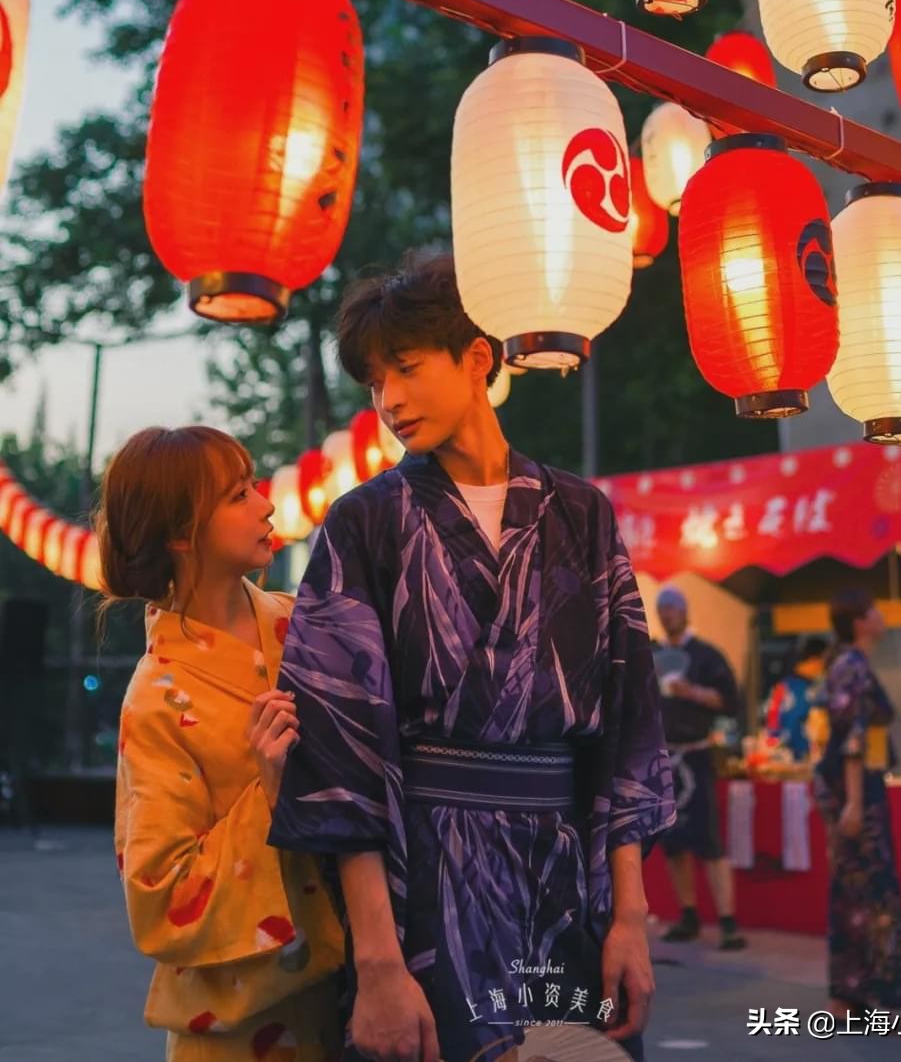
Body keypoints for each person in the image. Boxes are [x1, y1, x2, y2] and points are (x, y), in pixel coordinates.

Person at [269, 252, 675, 1062]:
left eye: (407, 368)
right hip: (426, 884)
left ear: (478, 357)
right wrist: (378, 962)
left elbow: (629, 729)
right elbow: (341, 756)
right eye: (374, 382)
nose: (388, 400)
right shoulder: (363, 524)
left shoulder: (582, 514)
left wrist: (630, 918)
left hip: (566, 882)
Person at [97, 425, 345, 1061]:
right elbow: (161, 895)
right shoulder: (156, 699)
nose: (265, 504)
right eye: (238, 495)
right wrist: (269, 794)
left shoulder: (305, 627)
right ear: (181, 533)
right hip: (237, 1034)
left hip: (356, 1001)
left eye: (254, 486)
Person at [813, 586, 901, 1017]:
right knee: (873, 886)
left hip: (854, 786)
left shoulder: (847, 664)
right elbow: (853, 738)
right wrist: (855, 802)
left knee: (853, 887)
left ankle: (850, 992)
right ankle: (896, 989)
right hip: (855, 788)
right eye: (874, 610)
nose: (881, 616)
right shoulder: (851, 667)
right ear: (861, 622)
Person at [652, 587, 746, 952]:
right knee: (672, 842)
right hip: (664, 757)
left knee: (709, 840)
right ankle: (688, 914)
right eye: (662, 609)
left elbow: (730, 702)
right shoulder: (652, 654)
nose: (667, 614)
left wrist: (692, 691)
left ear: (684, 611)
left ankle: (728, 921)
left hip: (697, 754)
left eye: (672, 607)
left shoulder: (706, 655)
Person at [763, 635, 828, 761]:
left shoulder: (782, 686)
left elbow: (771, 724)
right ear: (815, 659)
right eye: (825, 660)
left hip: (780, 756)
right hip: (800, 756)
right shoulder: (811, 690)